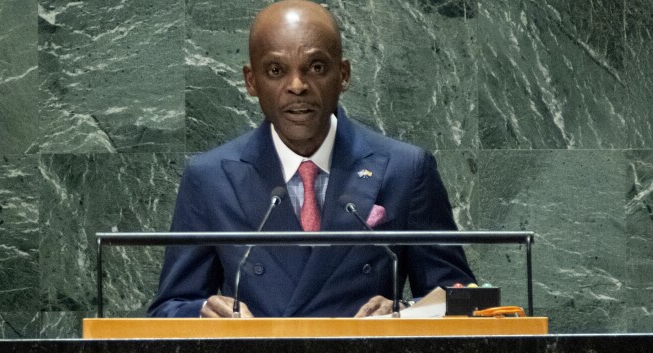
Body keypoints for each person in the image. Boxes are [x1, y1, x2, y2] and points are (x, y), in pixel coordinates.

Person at [148, 0, 475, 319]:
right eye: (276, 70)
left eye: (316, 67)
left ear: (343, 75)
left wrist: (405, 313)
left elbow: (461, 298)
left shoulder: (406, 170)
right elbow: (169, 308)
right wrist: (203, 312)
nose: (297, 86)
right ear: (251, 81)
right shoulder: (210, 179)